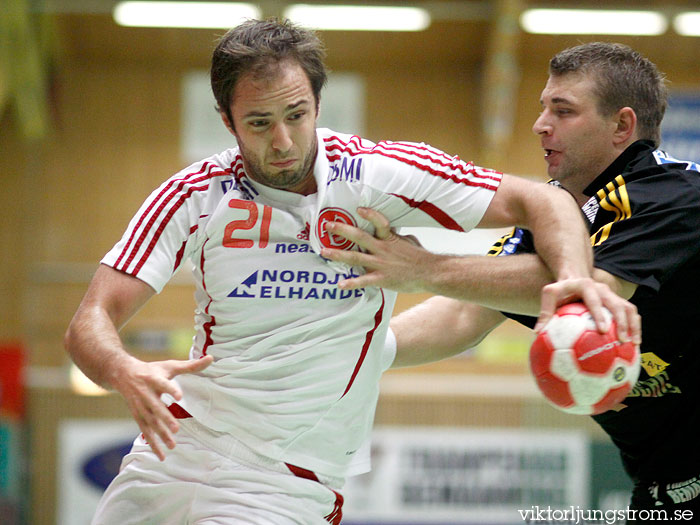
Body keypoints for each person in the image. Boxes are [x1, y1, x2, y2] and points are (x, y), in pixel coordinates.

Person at [65, 19, 630, 523]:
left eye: (296, 115)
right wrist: (121, 369)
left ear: (317, 102)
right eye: (259, 123)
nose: (283, 142)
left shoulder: (379, 175)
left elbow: (544, 201)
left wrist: (574, 276)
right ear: (227, 121)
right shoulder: (195, 195)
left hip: (283, 480)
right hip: (172, 448)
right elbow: (90, 319)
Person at [322, 42, 700, 518]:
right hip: (664, 481)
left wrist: (425, 268)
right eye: (544, 108)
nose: (541, 124)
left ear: (622, 126)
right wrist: (345, 356)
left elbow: (592, 288)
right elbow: (464, 311)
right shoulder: (556, 217)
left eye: (563, 111)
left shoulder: (678, 195)